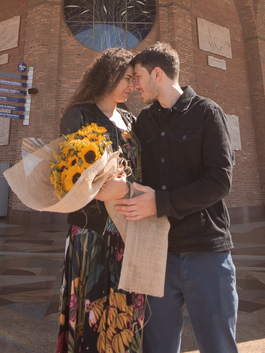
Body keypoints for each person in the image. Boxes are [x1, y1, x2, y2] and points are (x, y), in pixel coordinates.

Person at [116, 42, 237, 353]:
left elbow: (219, 181)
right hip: (158, 253)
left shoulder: (207, 112)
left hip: (206, 253)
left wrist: (161, 203)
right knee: (157, 347)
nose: (135, 85)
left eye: (138, 77)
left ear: (157, 74)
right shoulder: (144, 121)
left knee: (218, 345)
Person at [56, 47, 145, 353]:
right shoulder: (80, 114)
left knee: (125, 313)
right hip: (92, 231)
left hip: (127, 229)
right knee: (92, 312)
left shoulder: (131, 119)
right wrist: (102, 189)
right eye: (127, 78)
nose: (132, 85)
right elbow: (69, 174)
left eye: (134, 79)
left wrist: (129, 188)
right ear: (108, 75)